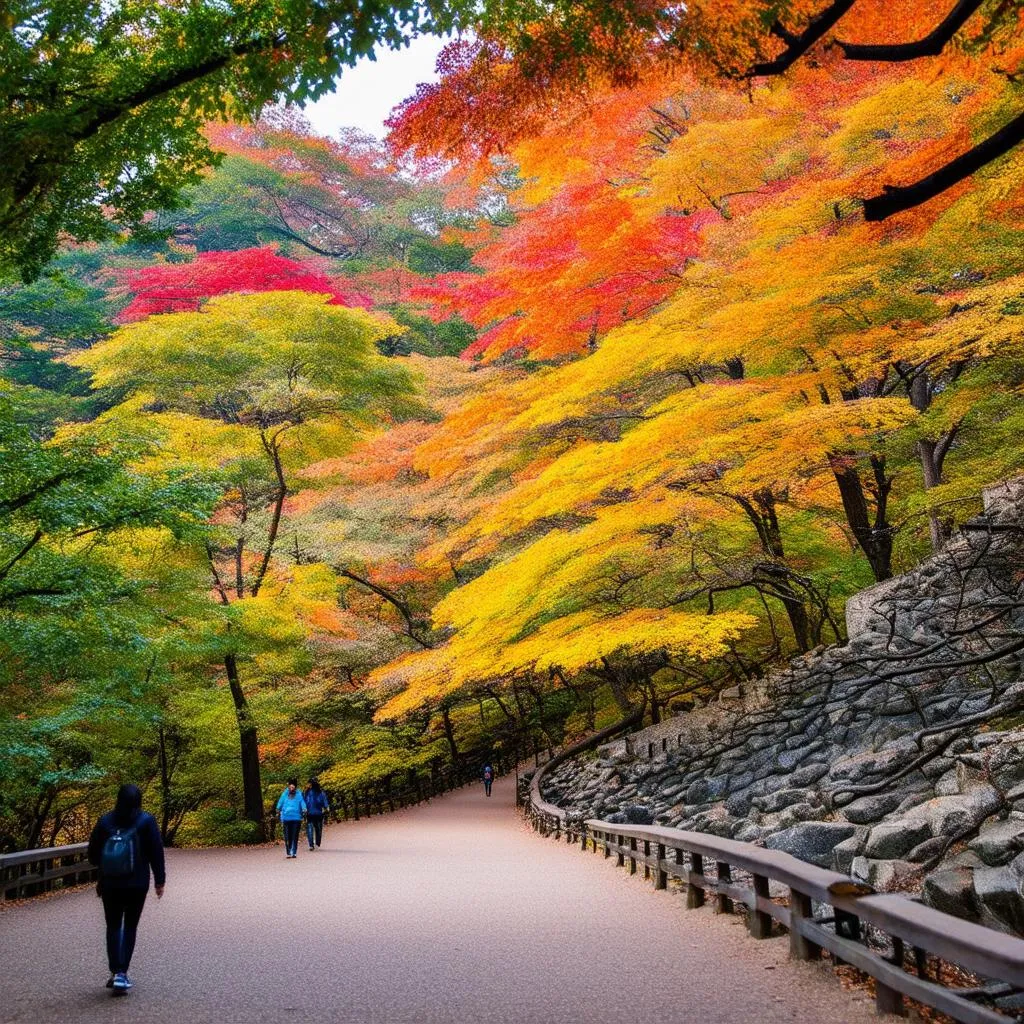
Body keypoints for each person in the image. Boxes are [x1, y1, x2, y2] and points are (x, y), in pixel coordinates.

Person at [87, 784, 166, 995]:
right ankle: (122, 973)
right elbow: (156, 851)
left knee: (113, 926)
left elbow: (93, 855)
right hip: (137, 884)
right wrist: (160, 880)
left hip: (111, 884)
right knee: (130, 926)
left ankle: (115, 972)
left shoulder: (105, 822)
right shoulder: (146, 821)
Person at [276, 778, 306, 858]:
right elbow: (280, 801)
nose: (291, 788)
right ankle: (288, 851)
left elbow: (302, 802)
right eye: (290, 787)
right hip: (286, 818)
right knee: (287, 836)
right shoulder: (284, 794)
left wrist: (304, 809)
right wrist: (278, 809)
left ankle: (294, 852)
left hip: (296, 818)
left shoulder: (299, 794)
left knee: (295, 835)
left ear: (295, 787)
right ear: (288, 787)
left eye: (293, 787)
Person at [303, 778, 330, 851]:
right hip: (319, 813)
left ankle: (311, 844)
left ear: (311, 784)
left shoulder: (307, 792)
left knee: (310, 828)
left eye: (308, 783)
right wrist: (327, 808)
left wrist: (303, 810)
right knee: (318, 829)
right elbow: (324, 802)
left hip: (309, 813)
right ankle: (317, 843)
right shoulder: (321, 792)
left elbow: (304, 802)